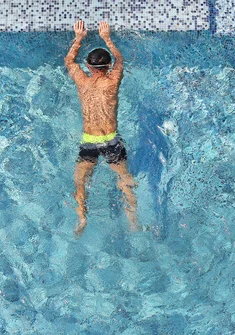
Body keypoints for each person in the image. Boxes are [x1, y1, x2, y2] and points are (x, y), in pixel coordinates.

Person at [65, 20, 139, 236]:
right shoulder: (113, 81)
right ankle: (133, 222)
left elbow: (69, 61)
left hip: (89, 141)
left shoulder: (82, 81)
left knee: (80, 181)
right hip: (111, 140)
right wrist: (107, 37)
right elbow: (120, 60)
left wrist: (78, 39)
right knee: (125, 181)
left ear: (88, 66)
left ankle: (81, 218)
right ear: (107, 67)